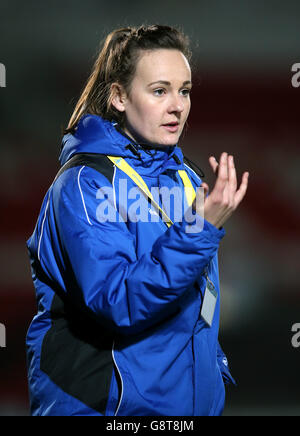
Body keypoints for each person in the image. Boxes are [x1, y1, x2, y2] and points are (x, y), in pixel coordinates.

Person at [25, 24, 249, 416]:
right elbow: (119, 301)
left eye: (185, 90)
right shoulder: (84, 184)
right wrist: (200, 231)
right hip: (107, 409)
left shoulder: (186, 179)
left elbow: (196, 303)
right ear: (119, 97)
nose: (177, 105)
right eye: (160, 90)